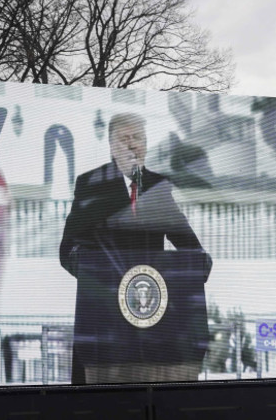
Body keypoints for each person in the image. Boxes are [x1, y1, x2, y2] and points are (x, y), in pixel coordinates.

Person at [60, 112, 210, 384]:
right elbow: (68, 248)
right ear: (111, 145)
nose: (132, 145)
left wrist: (200, 264)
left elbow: (190, 246)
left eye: (138, 138)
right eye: (124, 138)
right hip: (104, 318)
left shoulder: (157, 186)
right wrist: (92, 269)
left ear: (146, 144)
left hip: (149, 321)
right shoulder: (91, 184)